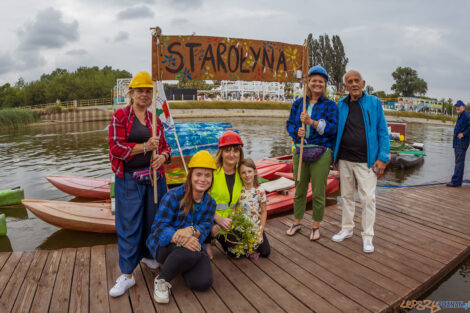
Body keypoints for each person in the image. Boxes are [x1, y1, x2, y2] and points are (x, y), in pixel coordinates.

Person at [108, 71, 171, 297]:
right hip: (129, 179)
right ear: (131, 93)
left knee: (153, 221)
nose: (144, 94)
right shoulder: (121, 116)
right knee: (128, 225)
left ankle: (149, 255)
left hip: (155, 179)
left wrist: (162, 156)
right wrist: (145, 147)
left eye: (148, 91)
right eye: (140, 90)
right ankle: (127, 275)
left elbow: (166, 147)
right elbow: (116, 147)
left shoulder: (155, 119)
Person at [331, 70, 390, 253]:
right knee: (347, 196)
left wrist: (383, 158)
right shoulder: (340, 104)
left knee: (368, 199)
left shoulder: (374, 103)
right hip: (345, 159)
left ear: (363, 84)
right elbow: (335, 132)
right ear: (345, 86)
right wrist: (334, 156)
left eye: (357, 81)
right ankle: (347, 229)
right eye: (350, 81)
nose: (354, 84)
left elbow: (382, 131)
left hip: (367, 161)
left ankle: (367, 236)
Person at [146, 150, 217, 303]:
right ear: (190, 175)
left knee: (203, 282)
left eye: (207, 175)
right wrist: (181, 238)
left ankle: (179, 265)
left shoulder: (211, 203)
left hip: (194, 245)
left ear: (212, 178)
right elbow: (158, 228)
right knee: (193, 251)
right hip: (164, 246)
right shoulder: (173, 195)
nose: (203, 179)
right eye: (198, 174)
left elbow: (205, 226)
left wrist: (191, 231)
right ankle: (162, 280)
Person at [285, 65, 338, 241]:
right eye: (314, 80)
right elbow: (290, 124)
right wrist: (296, 132)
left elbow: (333, 129)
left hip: (321, 152)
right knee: (299, 190)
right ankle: (297, 222)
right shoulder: (299, 103)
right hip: (301, 151)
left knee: (318, 191)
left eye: (320, 81)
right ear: (308, 83)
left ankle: (316, 225)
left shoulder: (330, 105)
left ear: (325, 85)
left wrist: (312, 123)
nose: (317, 84)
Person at [204, 130, 244, 258]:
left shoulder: (241, 174)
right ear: (221, 153)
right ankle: (207, 240)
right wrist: (217, 219)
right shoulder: (212, 173)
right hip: (211, 220)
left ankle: (217, 237)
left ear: (240, 153)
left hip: (230, 221)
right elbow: (199, 202)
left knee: (240, 252)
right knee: (235, 252)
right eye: (227, 151)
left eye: (235, 151)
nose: (232, 155)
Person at [220, 158, 271, 258]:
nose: (247, 175)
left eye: (249, 171)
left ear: (255, 172)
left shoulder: (260, 190)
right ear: (239, 174)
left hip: (255, 227)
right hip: (240, 227)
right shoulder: (238, 189)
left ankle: (250, 245)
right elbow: (232, 208)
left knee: (265, 252)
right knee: (236, 255)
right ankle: (227, 243)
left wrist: (260, 232)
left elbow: (264, 212)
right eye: (243, 172)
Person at [447, 100, 470, 187]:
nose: (457, 107)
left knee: (459, 162)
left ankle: (455, 182)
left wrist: (464, 134)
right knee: (459, 162)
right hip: (457, 143)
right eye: (456, 106)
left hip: (462, 143)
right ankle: (458, 181)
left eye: (459, 106)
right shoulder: (460, 115)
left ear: (463, 107)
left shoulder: (465, 115)